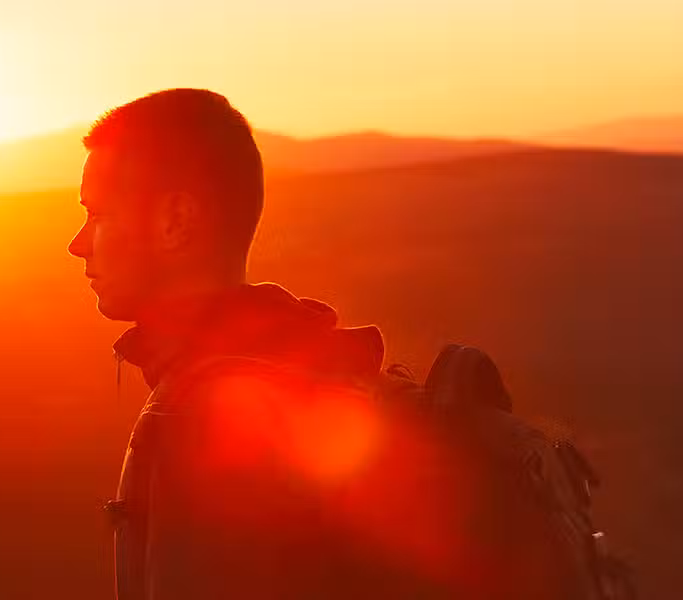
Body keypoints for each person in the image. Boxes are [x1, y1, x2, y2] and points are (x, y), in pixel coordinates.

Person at [68, 88, 592, 600]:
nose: (78, 244)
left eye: (97, 214)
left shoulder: (207, 423)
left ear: (175, 221)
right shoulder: (323, 368)